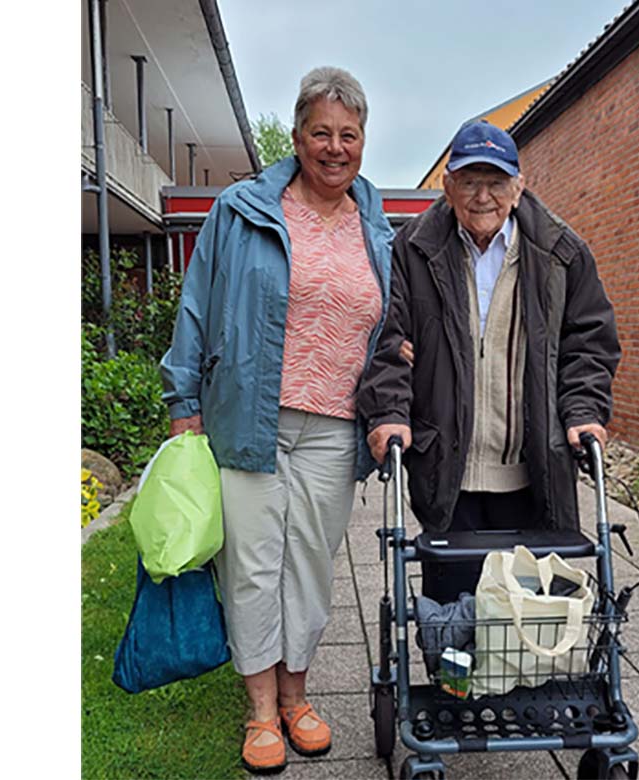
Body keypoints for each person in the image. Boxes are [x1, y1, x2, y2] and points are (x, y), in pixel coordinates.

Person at [160, 66, 392, 774]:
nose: (334, 147)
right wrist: (182, 403)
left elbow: (388, 314)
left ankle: (299, 696)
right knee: (253, 567)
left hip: (334, 426)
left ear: (362, 143)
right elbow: (197, 303)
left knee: (311, 569)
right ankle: (262, 710)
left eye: (348, 135)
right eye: (320, 132)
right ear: (296, 137)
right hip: (249, 416)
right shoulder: (243, 209)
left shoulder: (375, 225)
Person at [358, 120, 622, 604]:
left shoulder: (562, 253)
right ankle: (454, 680)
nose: (484, 196)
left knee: (526, 623)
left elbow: (590, 342)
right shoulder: (412, 250)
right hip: (446, 470)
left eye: (497, 182)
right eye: (471, 180)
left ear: (519, 187)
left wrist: (583, 409)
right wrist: (390, 413)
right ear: (448, 184)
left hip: (534, 468)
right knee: (453, 622)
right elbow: (388, 341)